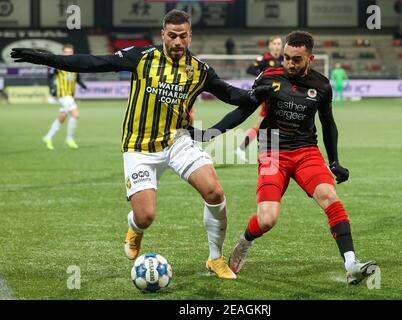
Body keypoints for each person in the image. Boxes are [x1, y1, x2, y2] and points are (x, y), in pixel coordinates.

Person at [11, 10, 270, 280]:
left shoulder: (200, 70)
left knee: (215, 192)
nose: (178, 42)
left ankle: (215, 258)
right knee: (145, 216)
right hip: (139, 147)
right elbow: (94, 62)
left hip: (178, 141)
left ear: (190, 36)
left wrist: (255, 94)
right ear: (163, 35)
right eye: (172, 36)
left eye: (183, 36)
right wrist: (47, 60)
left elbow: (230, 94)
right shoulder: (142, 58)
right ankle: (134, 228)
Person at [191, 31, 377, 285]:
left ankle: (351, 264)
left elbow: (328, 124)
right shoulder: (268, 77)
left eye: (296, 59)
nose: (289, 63)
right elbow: (243, 111)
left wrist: (334, 161)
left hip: (305, 149)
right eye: (286, 58)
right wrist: (209, 133)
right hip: (272, 147)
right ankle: (245, 241)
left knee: (330, 197)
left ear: (310, 58)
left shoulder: (322, 85)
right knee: (267, 219)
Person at [236, 35, 283, 162]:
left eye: (279, 44)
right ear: (270, 45)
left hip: (280, 97)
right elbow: (250, 69)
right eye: (275, 44)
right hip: (268, 97)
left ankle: (271, 152)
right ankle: (243, 148)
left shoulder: (284, 60)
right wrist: (264, 77)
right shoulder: (265, 59)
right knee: (262, 124)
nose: (277, 46)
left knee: (274, 124)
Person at [43, 44, 87, 150]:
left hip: (70, 95)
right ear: (63, 52)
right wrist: (51, 89)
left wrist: (82, 84)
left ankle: (48, 137)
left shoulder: (75, 64)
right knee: (75, 114)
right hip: (63, 94)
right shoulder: (58, 64)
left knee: (62, 117)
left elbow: (77, 77)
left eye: (70, 52)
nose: (68, 54)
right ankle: (69, 138)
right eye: (66, 52)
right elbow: (49, 76)